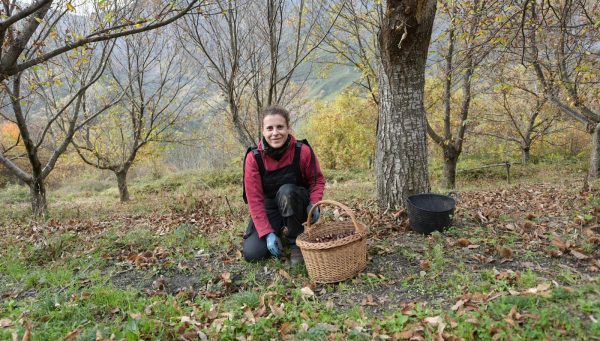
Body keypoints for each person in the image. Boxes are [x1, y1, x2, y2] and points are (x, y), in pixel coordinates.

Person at [242, 105, 325, 265]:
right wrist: (267, 233)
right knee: (253, 254)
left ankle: (296, 242)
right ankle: (276, 232)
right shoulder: (254, 158)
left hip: (296, 202)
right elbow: (254, 200)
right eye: (270, 128)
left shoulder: (303, 151)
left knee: (286, 191)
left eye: (280, 127)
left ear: (288, 128)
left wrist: (314, 203)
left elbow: (317, 181)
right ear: (263, 130)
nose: (275, 133)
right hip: (270, 208)